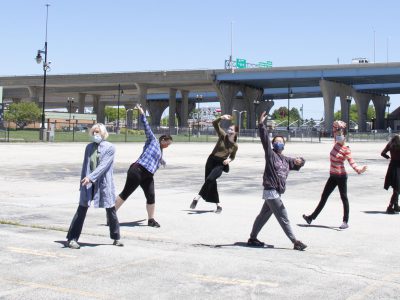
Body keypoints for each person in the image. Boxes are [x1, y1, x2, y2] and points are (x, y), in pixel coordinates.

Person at [247, 111, 307, 251]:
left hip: (276, 192)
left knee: (263, 216)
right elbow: (265, 140)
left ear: (284, 145)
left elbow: (299, 163)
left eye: (281, 141)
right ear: (273, 144)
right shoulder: (271, 155)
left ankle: (252, 238)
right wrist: (261, 124)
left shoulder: (286, 160)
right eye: (276, 141)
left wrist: (301, 161)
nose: (278, 143)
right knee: (283, 216)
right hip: (271, 190)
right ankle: (295, 241)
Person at [113, 104, 172, 227]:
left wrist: (162, 161)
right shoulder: (153, 140)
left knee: (151, 196)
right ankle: (111, 216)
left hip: (148, 175)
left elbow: (157, 159)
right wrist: (142, 113)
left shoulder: (160, 150)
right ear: (162, 140)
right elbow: (147, 127)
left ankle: (151, 220)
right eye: (167, 143)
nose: (167, 146)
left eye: (169, 145)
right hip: (137, 170)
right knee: (126, 193)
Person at [66, 123, 123, 249]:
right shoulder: (89, 147)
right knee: (81, 209)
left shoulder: (110, 148)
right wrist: (83, 181)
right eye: (93, 132)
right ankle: (72, 238)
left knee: (110, 209)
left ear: (103, 133)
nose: (95, 134)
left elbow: (103, 166)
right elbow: (85, 165)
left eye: (97, 132)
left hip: (103, 183)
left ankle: (116, 237)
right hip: (87, 183)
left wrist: (91, 178)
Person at [303, 120, 367, 229]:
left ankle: (345, 221)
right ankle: (311, 218)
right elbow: (334, 129)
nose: (338, 136)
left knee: (344, 197)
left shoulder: (346, 149)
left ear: (345, 137)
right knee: (324, 197)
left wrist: (359, 170)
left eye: (341, 135)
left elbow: (352, 162)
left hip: (341, 176)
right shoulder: (335, 144)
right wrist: (337, 126)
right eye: (337, 135)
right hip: (332, 176)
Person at [190, 114, 238, 213]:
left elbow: (232, 157)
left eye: (231, 129)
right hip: (211, 160)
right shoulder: (223, 135)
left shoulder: (235, 146)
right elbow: (214, 123)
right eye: (229, 129)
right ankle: (218, 206)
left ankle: (197, 198)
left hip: (220, 163)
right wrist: (221, 117)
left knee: (210, 179)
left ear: (236, 132)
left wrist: (229, 160)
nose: (229, 130)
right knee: (211, 183)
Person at [381, 134, 400, 214]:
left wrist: (388, 157)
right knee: (397, 188)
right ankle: (390, 206)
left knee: (396, 187)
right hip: (398, 167)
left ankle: (396, 205)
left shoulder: (390, 144)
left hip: (392, 167)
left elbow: (383, 153)